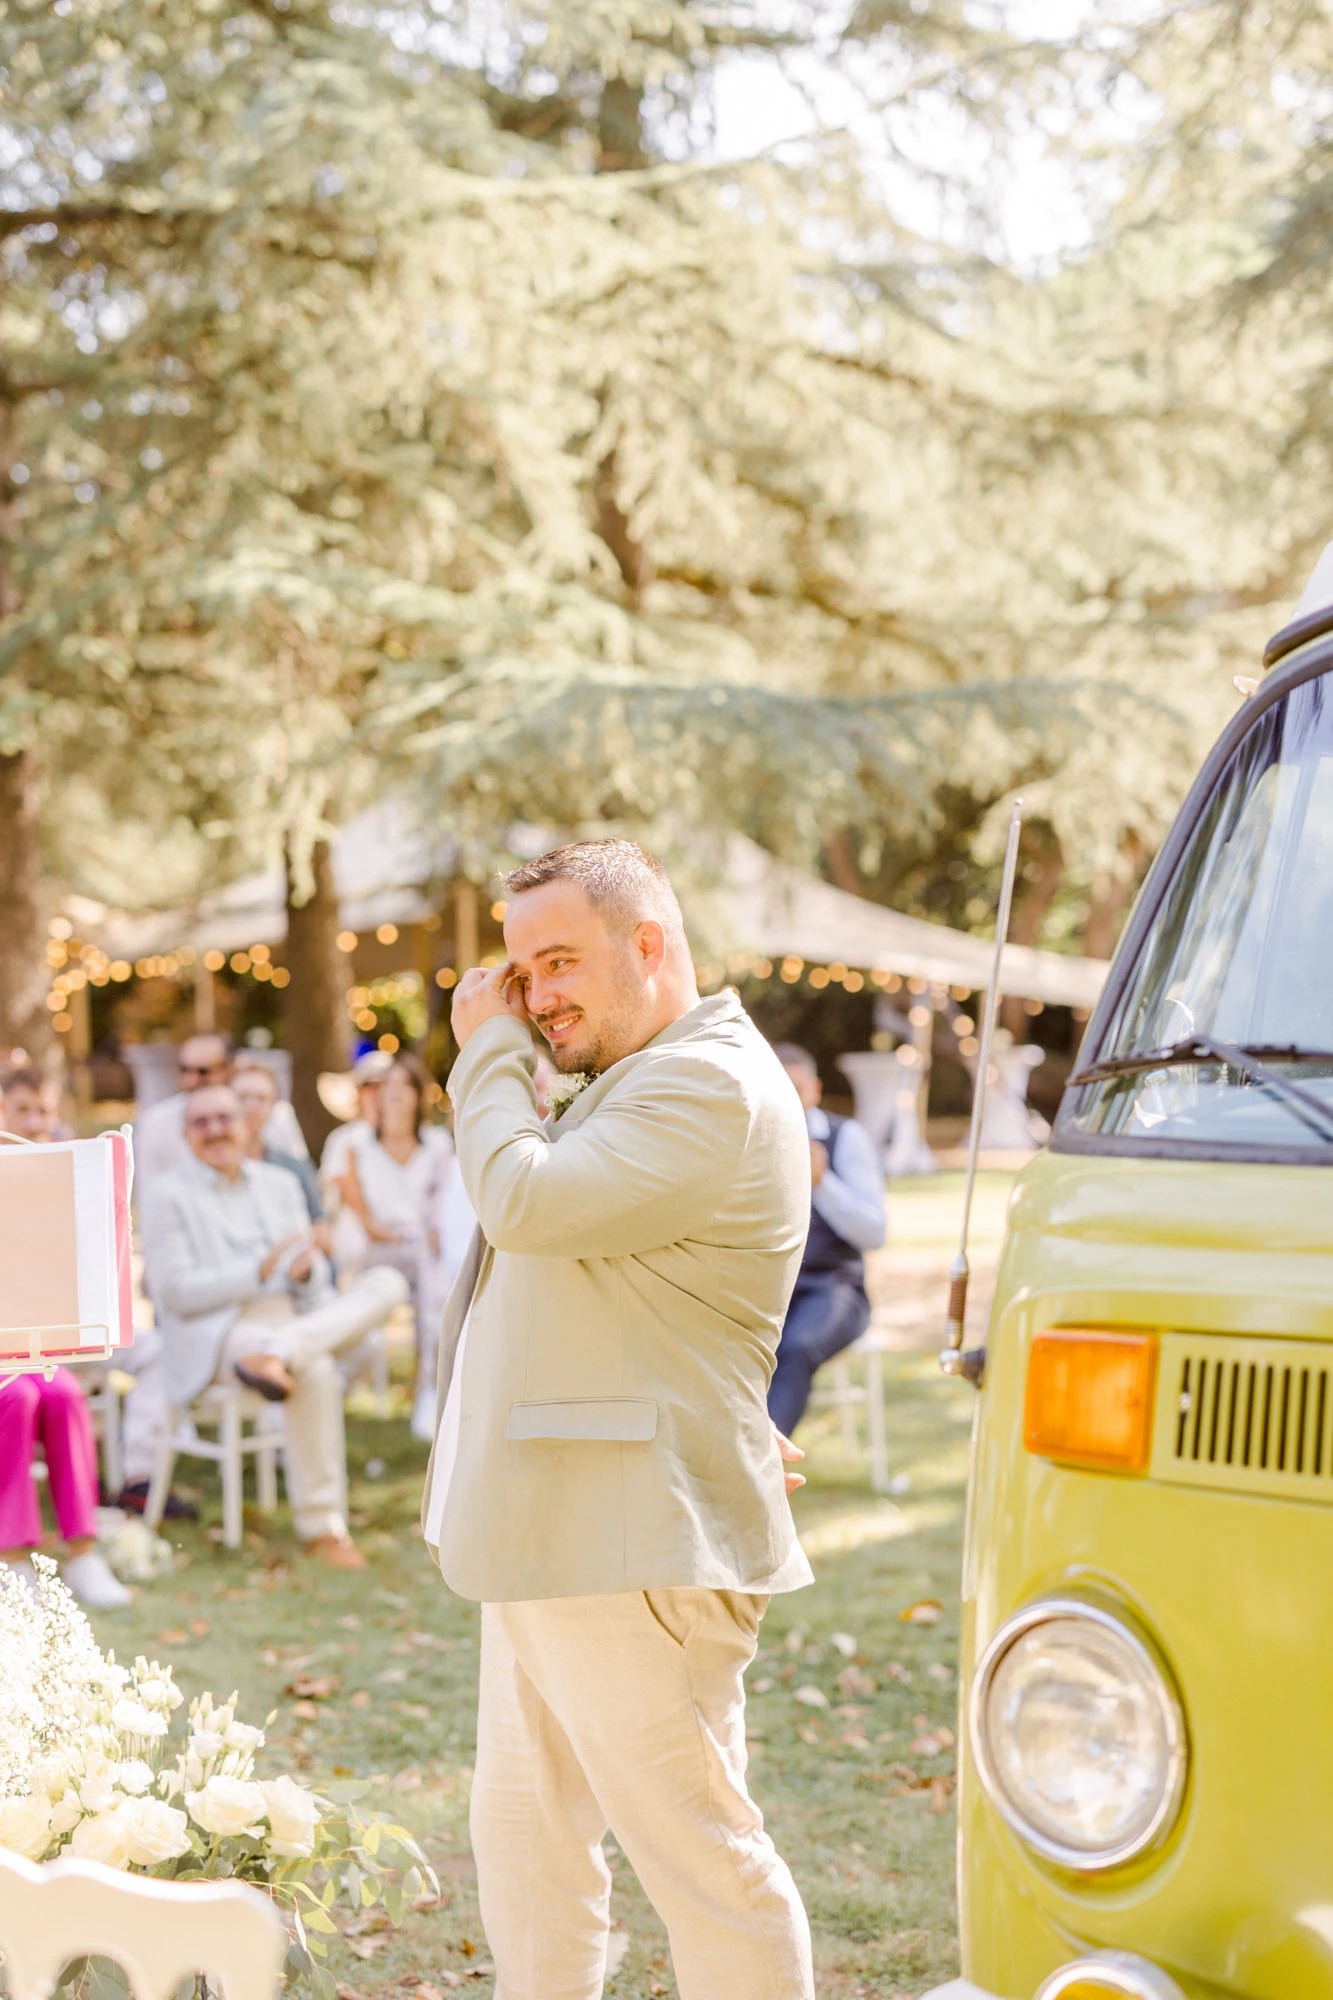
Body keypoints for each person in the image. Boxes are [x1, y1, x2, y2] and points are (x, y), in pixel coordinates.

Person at [423, 839, 816, 2000]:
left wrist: (486, 1047)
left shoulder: (709, 1080)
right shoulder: (638, 1073)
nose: (534, 997)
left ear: (650, 942)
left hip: (628, 1536)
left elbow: (528, 1199)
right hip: (552, 1522)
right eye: (517, 974)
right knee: (528, 1843)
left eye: (556, 961)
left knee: (705, 1859)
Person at [140, 1084, 408, 1568]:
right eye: (201, 1123)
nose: (216, 1131)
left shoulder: (278, 1184)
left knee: (388, 1282)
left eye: (224, 1118)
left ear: (245, 1125)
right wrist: (257, 1272)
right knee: (319, 1368)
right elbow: (176, 1292)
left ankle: (281, 1352)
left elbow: (306, 1282)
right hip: (215, 1332)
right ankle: (323, 1528)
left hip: (285, 1321)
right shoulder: (165, 1193)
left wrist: (307, 1275)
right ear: (186, 1135)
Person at [0, 1066, 131, 1608]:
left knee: (64, 1394)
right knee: (17, 1397)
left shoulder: (59, 1181)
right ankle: (12, 1559)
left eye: (43, 1110)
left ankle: (82, 1552)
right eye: (21, 1109)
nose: (33, 1121)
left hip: (30, 1341)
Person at [766, 1043, 887, 1437]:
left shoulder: (845, 1137)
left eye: (796, 1089)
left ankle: (768, 1455)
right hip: (769, 1288)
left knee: (798, 1347)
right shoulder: (753, 1141)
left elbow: (875, 1232)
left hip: (834, 1288)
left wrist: (823, 1184)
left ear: (815, 1090)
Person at [332, 1054, 450, 1441]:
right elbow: (360, 1214)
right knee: (421, 1271)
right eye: (388, 1087)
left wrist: (428, 1239)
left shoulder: (437, 1145)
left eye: (404, 1086)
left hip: (421, 1253)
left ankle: (428, 1394)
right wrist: (391, 1234)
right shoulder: (354, 1144)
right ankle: (336, 1383)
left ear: (419, 1096)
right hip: (373, 1249)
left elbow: (443, 1209)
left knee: (436, 1290)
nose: (394, 1095)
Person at [134, 1032, 307, 1188]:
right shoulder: (156, 1122)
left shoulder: (275, 1116)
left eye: (203, 1071)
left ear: (231, 1069)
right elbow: (149, 1190)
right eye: (184, 1070)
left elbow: (300, 1175)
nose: (190, 1080)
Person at [234, 1061, 323, 1220]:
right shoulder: (208, 1167)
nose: (251, 1106)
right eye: (243, 1097)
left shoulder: (294, 1167)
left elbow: (320, 1223)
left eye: (261, 1099)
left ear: (273, 1107)